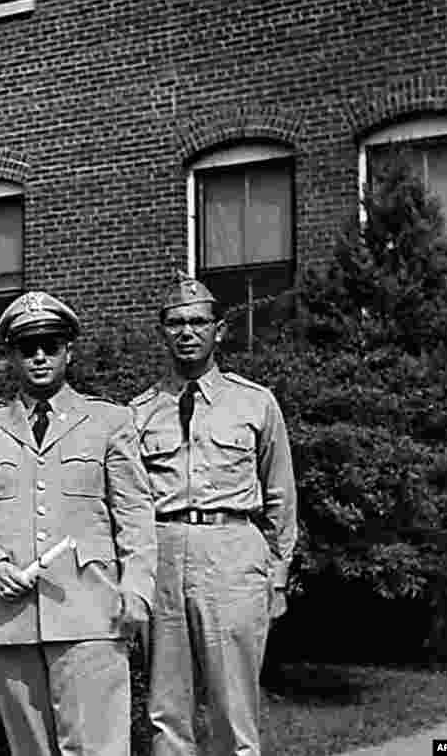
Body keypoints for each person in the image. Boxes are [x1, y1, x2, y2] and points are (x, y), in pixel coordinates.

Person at [0, 290, 156, 756]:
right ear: (10, 355)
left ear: (68, 351)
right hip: (11, 620)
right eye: (27, 347)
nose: (39, 356)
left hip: (91, 612)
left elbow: (135, 514)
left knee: (97, 748)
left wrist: (137, 589)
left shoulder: (108, 421)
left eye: (50, 345)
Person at [130, 274, 297, 756]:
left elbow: (281, 495)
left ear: (219, 330)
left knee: (233, 707)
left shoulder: (255, 402)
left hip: (232, 553)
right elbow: (129, 503)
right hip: (162, 554)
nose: (187, 332)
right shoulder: (138, 412)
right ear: (162, 332)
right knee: (166, 709)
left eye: (198, 322)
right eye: (175, 323)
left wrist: (277, 579)